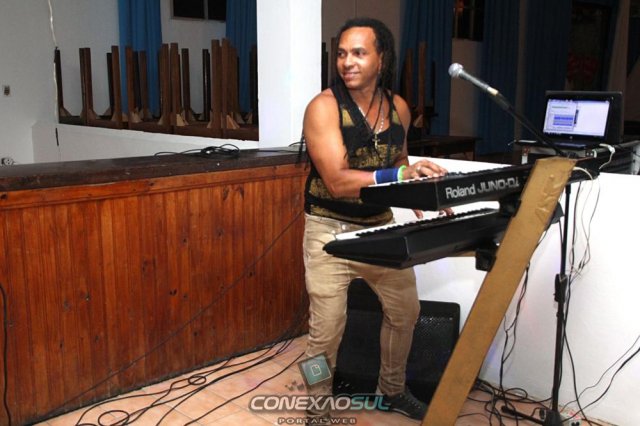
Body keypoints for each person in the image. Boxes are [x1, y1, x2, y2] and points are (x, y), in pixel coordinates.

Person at [301, 17, 450, 422]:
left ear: (381, 59)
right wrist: (399, 176)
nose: (347, 62)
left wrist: (422, 193)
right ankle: (316, 407)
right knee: (325, 332)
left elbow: (398, 161)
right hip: (328, 232)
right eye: (342, 54)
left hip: (379, 227)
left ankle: (393, 390)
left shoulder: (397, 107)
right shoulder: (323, 107)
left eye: (359, 53)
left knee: (406, 312)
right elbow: (337, 182)